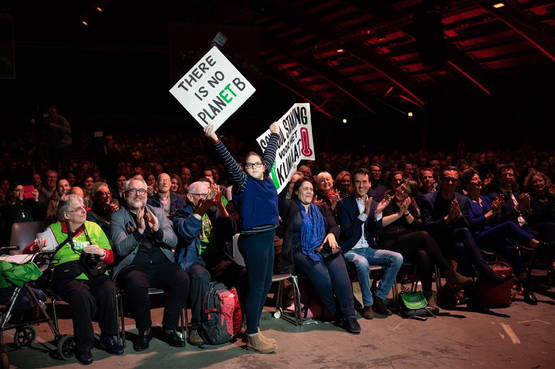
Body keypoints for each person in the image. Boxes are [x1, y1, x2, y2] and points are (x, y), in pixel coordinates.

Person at [205, 122, 279, 354]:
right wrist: (215, 139)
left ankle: (253, 326)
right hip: (254, 240)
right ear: (244, 169)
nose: (255, 167)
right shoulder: (245, 182)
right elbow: (228, 160)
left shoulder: (265, 175)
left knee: (265, 284)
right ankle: (253, 335)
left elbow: (269, 154)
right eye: (249, 165)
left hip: (268, 237)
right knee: (258, 287)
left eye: (257, 164)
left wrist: (274, 134)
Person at [32, 195, 122, 365]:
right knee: (81, 295)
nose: (84, 211)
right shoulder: (54, 230)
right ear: (66, 215)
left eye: (84, 207)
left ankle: (108, 337)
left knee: (108, 288)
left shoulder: (93, 227)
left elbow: (110, 257)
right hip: (67, 276)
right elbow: (32, 249)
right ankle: (84, 346)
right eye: (78, 209)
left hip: (93, 272)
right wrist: (38, 245)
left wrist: (101, 252)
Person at [111, 176, 190, 351]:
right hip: (134, 266)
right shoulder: (118, 217)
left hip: (161, 263)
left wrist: (157, 230)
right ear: (125, 194)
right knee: (136, 282)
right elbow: (121, 249)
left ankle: (169, 328)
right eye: (134, 190)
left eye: (142, 191)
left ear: (147, 194)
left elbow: (173, 241)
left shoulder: (158, 212)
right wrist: (138, 232)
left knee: (181, 278)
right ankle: (144, 330)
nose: (138, 194)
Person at [280, 179, 360, 333]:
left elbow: (334, 226)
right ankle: (336, 312)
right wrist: (285, 177)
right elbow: (279, 199)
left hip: (323, 247)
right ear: (296, 192)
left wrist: (331, 234)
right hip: (300, 251)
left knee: (339, 269)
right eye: (305, 189)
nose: (309, 191)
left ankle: (349, 315)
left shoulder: (322, 209)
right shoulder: (291, 207)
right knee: (323, 275)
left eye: (311, 189)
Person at [380, 182, 472, 311]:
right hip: (389, 243)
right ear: (396, 187)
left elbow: (416, 226)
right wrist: (399, 214)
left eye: (406, 191)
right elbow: (379, 223)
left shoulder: (408, 206)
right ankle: (448, 271)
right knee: (423, 235)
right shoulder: (386, 202)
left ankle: (428, 295)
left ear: (409, 196)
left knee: (423, 254)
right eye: (401, 188)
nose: (402, 191)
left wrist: (406, 212)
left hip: (406, 244)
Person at [173, 181, 242, 345]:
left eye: (208, 195)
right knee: (200, 276)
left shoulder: (214, 210)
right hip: (194, 259)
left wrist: (220, 205)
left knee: (241, 273)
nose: (207, 199)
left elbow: (230, 230)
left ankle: (239, 320)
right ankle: (196, 327)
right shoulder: (180, 214)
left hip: (216, 257)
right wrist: (201, 209)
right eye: (203, 196)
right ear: (190, 197)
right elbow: (187, 233)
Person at [461, 168, 543, 304]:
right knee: (509, 225)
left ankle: (526, 288)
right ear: (467, 185)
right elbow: (470, 224)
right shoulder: (465, 201)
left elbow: (496, 222)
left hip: (492, 235)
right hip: (478, 238)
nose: (478, 181)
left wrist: (499, 211)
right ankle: (537, 245)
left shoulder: (485, 199)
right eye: (474, 179)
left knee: (510, 249)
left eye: (478, 178)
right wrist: (491, 213)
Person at [419, 166, 512, 286]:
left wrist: (459, 217)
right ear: (439, 180)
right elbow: (427, 227)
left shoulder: (462, 200)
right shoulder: (428, 199)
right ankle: (485, 274)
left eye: (453, 180)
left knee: (462, 243)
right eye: (447, 179)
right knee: (463, 239)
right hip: (435, 242)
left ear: (457, 182)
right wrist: (447, 219)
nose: (450, 182)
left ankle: (467, 287)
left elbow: (468, 226)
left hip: (455, 240)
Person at [337, 168, 403, 318]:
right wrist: (364, 214)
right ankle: (368, 304)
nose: (361, 186)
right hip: (350, 250)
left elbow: (376, 233)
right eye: (358, 182)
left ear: (369, 183)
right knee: (362, 263)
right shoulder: (344, 204)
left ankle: (379, 297)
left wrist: (378, 213)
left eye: (364, 182)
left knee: (397, 258)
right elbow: (347, 233)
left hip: (368, 249)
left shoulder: (374, 204)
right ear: (353, 184)